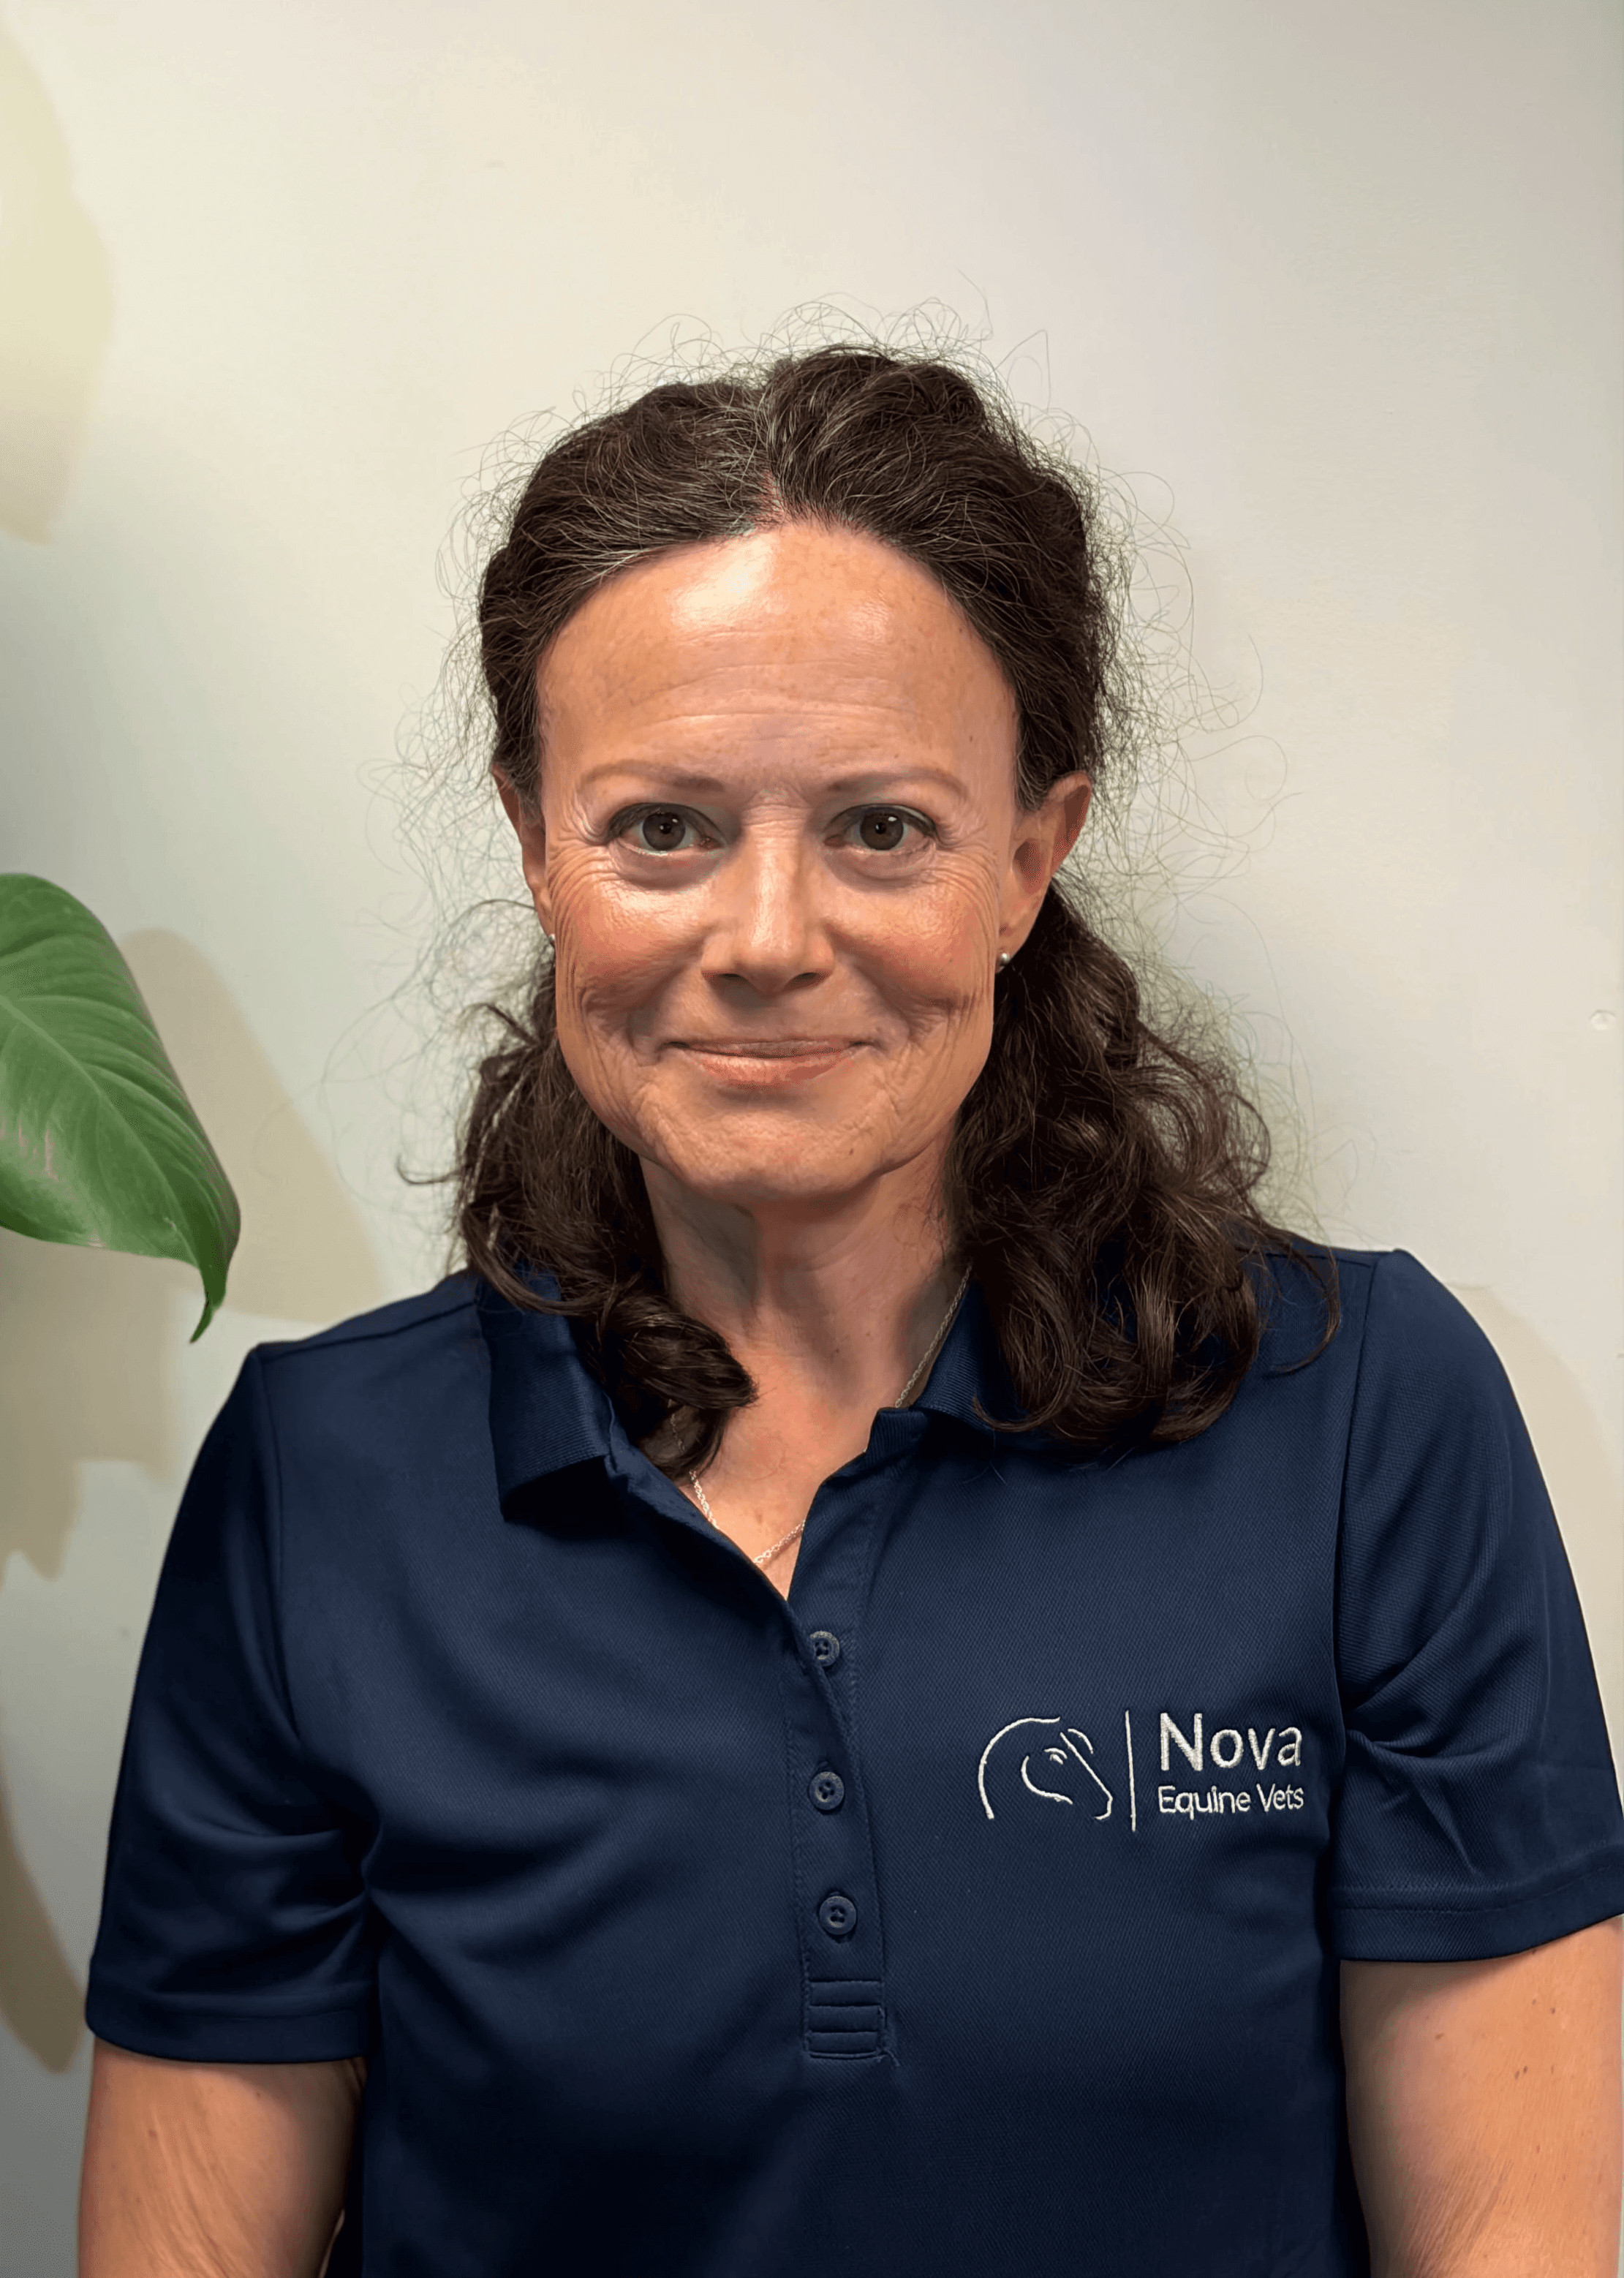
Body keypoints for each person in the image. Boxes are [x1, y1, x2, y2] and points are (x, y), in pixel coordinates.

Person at [79, 346, 1624, 2277]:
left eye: (881, 826)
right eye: (660, 827)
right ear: (537, 849)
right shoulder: (322, 1479)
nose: (765, 937)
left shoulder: (1363, 1417)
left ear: (1026, 858)